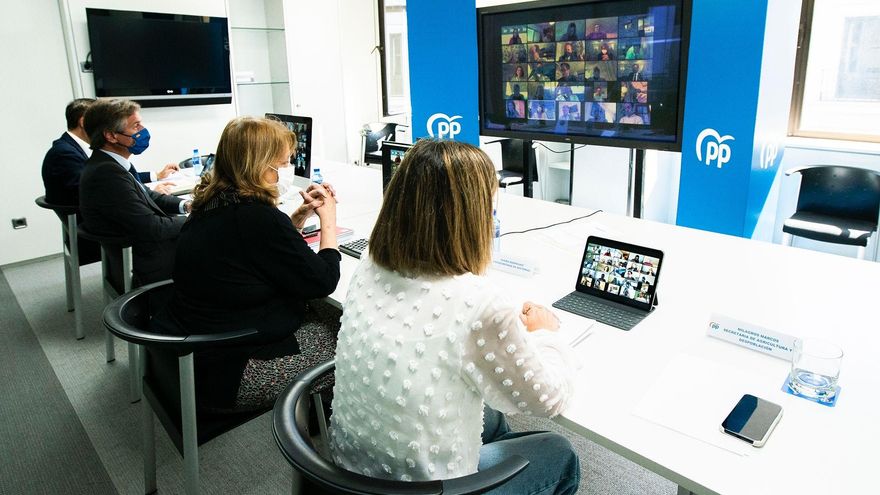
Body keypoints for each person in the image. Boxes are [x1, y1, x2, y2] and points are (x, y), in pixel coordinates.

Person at [329, 139, 580, 494]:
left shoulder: (370, 263)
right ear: (472, 216)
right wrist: (545, 335)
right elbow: (549, 399)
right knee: (559, 451)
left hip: (349, 474)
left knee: (491, 415)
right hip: (429, 490)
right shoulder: (479, 303)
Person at [151, 116, 341, 411]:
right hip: (234, 371)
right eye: (281, 164)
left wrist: (297, 219)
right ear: (260, 165)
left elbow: (251, 252)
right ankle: (323, 421)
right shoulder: (257, 218)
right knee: (350, 332)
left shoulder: (212, 203)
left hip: (194, 353)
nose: (284, 171)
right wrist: (329, 221)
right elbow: (324, 281)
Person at [79, 99, 191, 285]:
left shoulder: (109, 163)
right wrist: (194, 218)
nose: (143, 130)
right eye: (136, 126)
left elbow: (148, 195)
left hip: (144, 249)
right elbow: (152, 228)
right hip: (152, 261)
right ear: (111, 136)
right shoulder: (106, 174)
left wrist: (186, 205)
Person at [42, 99, 178, 204]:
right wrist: (145, 195)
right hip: (97, 230)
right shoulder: (64, 154)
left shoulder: (75, 148)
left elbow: (117, 178)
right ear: (84, 122)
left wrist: (156, 176)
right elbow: (98, 192)